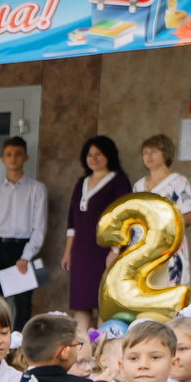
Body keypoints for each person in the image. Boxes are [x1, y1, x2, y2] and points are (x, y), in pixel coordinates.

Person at [0, 137, 47, 328]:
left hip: (21, 248)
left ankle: (19, 344)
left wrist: (26, 255)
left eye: (18, 154)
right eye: (9, 154)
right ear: (3, 159)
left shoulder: (36, 189)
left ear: (26, 157)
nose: (13, 159)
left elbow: (39, 228)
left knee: (23, 303)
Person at [65, 136, 132, 328]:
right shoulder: (81, 183)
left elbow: (124, 218)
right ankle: (81, 343)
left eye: (99, 154)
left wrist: (116, 250)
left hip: (105, 250)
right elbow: (72, 221)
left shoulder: (119, 182)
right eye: (89, 154)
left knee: (104, 301)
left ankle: (103, 344)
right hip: (82, 251)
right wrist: (68, 252)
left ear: (109, 155)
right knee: (81, 303)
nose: (93, 158)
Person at [136, 135, 191, 289]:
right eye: (145, 152)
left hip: (169, 247)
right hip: (142, 248)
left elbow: (189, 216)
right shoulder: (138, 186)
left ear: (165, 154)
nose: (148, 156)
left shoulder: (178, 181)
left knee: (169, 291)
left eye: (153, 151)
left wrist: (164, 223)